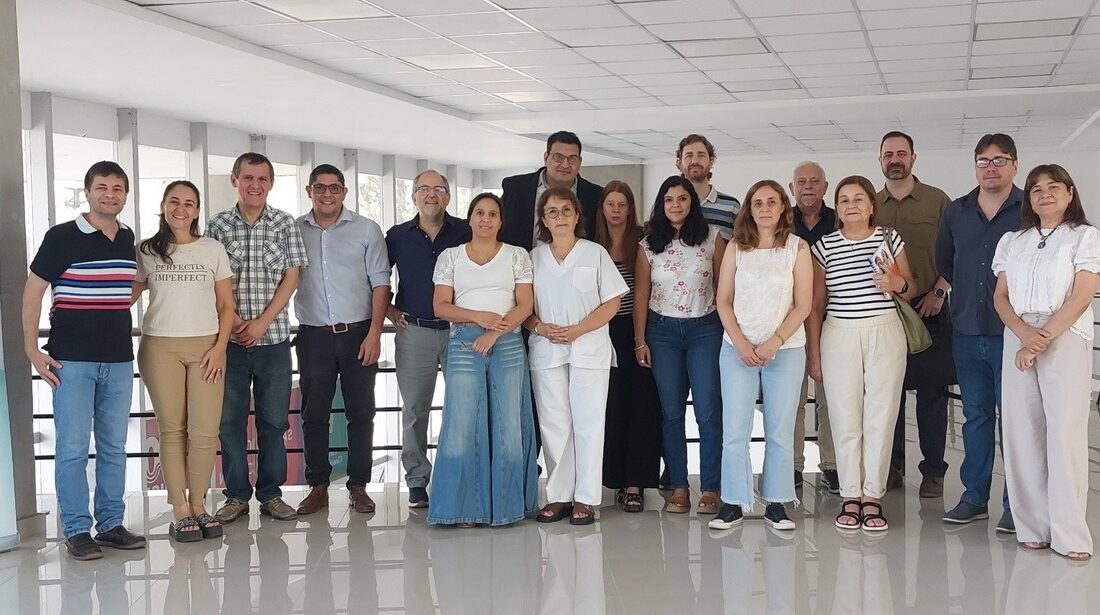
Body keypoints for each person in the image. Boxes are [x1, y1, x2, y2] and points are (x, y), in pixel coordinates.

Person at [22, 161, 146, 559]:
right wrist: (31, 349)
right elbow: (33, 291)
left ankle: (110, 524)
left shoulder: (127, 238)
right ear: (88, 191)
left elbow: (130, 285)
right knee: (73, 448)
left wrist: (110, 304)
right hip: (71, 361)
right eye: (102, 187)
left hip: (119, 359)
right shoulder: (61, 236)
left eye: (117, 188)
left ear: (125, 195)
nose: (110, 194)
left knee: (113, 447)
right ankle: (76, 529)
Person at [992, 163, 1099, 561]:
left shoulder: (1084, 236)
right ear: (1029, 199)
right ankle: (1032, 527)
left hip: (1064, 335)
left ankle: (1069, 534)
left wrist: (1040, 340)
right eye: (1036, 189)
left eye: (1054, 187)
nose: (1045, 194)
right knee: (1022, 433)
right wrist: (1024, 334)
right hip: (1018, 332)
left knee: (1064, 434)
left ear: (1070, 193)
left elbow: (1082, 295)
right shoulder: (1012, 241)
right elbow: (1000, 297)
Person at [807, 175, 916, 532]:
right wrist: (814, 354)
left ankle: (872, 496)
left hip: (884, 331)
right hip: (839, 333)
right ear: (836, 208)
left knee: (881, 415)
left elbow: (910, 287)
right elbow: (816, 305)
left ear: (871, 205)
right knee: (844, 417)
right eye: (843, 200)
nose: (851, 205)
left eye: (858, 199)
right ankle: (850, 495)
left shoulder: (889, 238)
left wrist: (896, 283)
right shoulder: (824, 246)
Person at [206, 152, 308, 523]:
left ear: (271, 183)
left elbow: (292, 277)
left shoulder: (284, 223)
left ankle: (270, 494)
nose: (255, 185)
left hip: (274, 341)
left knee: (274, 422)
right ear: (235, 180)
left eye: (262, 179)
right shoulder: (218, 226)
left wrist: (262, 323)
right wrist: (234, 323)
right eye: (248, 177)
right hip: (229, 344)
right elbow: (211, 279)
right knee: (229, 422)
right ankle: (235, 496)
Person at [132, 180, 235, 542]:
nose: (181, 208)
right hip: (160, 348)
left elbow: (226, 305)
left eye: (189, 203)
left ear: (197, 211)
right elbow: (124, 296)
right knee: (172, 429)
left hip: (207, 348)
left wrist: (220, 348)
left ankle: (199, 504)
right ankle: (179, 509)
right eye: (174, 201)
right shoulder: (146, 250)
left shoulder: (212, 249)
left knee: (204, 431)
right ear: (163, 206)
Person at [427, 193, 538, 526]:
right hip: (464, 342)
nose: (486, 219)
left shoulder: (517, 255)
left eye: (492, 214)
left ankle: (506, 507)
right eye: (479, 213)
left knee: (508, 424)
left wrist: (493, 333)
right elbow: (440, 306)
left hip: (507, 342)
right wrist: (478, 317)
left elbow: (525, 305)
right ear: (470, 219)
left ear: (501, 221)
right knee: (462, 424)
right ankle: (463, 509)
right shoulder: (450, 257)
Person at [709, 180, 812, 531]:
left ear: (783, 207)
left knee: (779, 430)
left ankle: (777, 503)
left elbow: (804, 304)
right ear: (749, 210)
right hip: (737, 350)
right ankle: (733, 502)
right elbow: (723, 300)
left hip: (785, 350)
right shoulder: (736, 248)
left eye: (771, 202)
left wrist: (774, 342)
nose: (764, 208)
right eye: (757, 203)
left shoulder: (797, 248)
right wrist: (740, 343)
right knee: (735, 430)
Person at [293, 164, 391, 516]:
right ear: (309, 191)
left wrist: (375, 333)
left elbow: (381, 282)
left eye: (334, 188)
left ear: (344, 192)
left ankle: (358, 486)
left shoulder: (366, 229)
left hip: (358, 335)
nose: (327, 194)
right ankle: (317, 486)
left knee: (361, 412)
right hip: (313, 336)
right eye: (320, 187)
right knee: (314, 414)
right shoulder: (294, 230)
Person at [526, 187, 628, 525]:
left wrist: (578, 330)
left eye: (565, 210)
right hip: (547, 350)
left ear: (577, 215)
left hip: (588, 349)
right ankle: (558, 495)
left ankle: (585, 498)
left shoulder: (594, 253)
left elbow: (612, 302)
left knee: (588, 422)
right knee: (554, 423)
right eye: (552, 212)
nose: (559, 217)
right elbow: (522, 306)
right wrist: (539, 327)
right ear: (543, 220)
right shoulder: (533, 258)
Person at [938, 134, 1022, 532]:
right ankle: (974, 497)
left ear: (1014, 165)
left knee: (1015, 421)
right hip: (968, 331)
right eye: (983, 161)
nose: (991, 168)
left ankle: (1015, 504)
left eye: (999, 160)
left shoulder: (1028, 210)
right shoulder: (956, 212)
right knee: (975, 417)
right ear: (975, 166)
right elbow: (945, 263)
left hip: (1014, 333)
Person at [635, 176, 726, 515]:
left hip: (705, 330)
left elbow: (725, 288)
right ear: (661, 204)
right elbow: (641, 294)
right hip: (662, 333)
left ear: (692, 203)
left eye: (682, 198)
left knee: (708, 411)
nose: (675, 205)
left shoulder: (713, 237)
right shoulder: (648, 244)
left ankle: (711, 487)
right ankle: (678, 486)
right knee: (671, 413)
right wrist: (640, 340)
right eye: (669, 199)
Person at [875, 131, 954, 498]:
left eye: (901, 153)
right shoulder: (871, 204)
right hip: (885, 312)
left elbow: (956, 251)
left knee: (932, 395)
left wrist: (939, 291)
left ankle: (933, 471)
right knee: (887, 391)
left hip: (929, 306)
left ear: (913, 158)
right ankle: (891, 467)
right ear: (880, 160)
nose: (895, 159)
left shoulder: (937, 201)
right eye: (888, 154)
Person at [386, 169, 471, 509]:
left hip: (460, 331)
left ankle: (459, 473)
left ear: (448, 196)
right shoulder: (397, 236)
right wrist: (390, 310)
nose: (431, 194)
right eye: (424, 189)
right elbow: (375, 278)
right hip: (415, 331)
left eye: (439, 189)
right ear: (413, 196)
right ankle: (417, 480)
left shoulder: (465, 231)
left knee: (463, 406)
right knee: (415, 409)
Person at [594, 181, 662, 513]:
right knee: (611, 407)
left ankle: (636, 482)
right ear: (602, 208)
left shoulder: (644, 241)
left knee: (643, 407)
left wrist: (640, 339)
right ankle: (615, 478)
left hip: (639, 332)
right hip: (599, 333)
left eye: (622, 205)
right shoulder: (591, 245)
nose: (616, 210)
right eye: (611, 204)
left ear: (630, 208)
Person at [788, 161, 839, 493]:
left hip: (833, 321)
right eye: (801, 181)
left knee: (830, 399)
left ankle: (832, 465)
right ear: (792, 188)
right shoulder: (781, 221)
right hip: (789, 323)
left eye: (814, 181)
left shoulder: (839, 220)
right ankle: (791, 465)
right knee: (790, 400)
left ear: (825, 186)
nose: (808, 186)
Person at [500, 131, 603, 251]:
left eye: (572, 159)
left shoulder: (595, 195)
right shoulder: (515, 188)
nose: (565, 165)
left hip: (577, 262)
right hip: (522, 261)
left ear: (580, 162)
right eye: (558, 157)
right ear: (545, 157)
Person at [675, 133, 741, 239]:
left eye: (701, 155)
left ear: (711, 161)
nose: (695, 161)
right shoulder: (669, 206)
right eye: (689, 156)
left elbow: (741, 245)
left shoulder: (732, 206)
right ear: (679, 163)